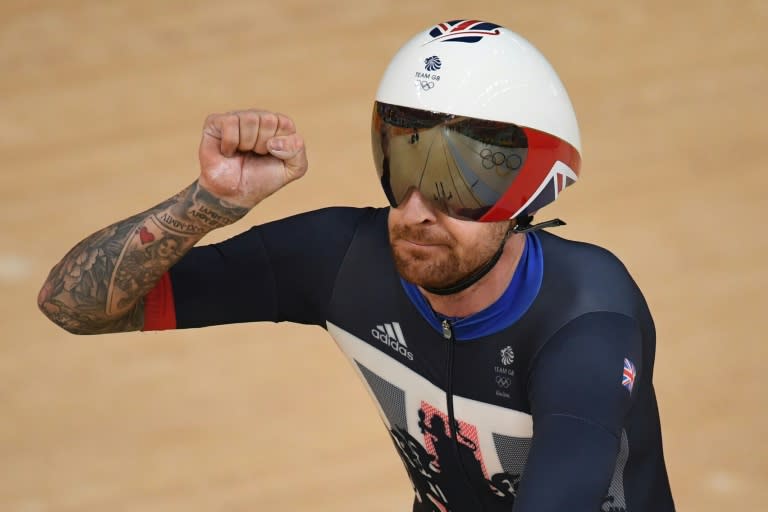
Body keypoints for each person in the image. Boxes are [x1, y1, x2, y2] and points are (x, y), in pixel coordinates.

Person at [37, 19, 676, 512]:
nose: (418, 210)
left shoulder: (586, 318)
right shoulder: (344, 260)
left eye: (461, 182)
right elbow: (74, 307)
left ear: (532, 192)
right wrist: (208, 204)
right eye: (405, 167)